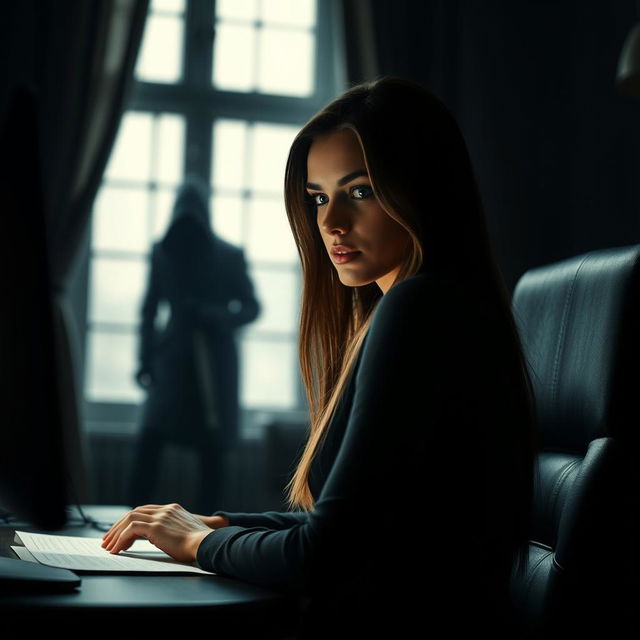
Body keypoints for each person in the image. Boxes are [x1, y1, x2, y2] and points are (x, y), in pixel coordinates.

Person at [104, 77, 537, 638]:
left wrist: (199, 542)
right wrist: (222, 524)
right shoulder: (438, 305)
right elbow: (358, 525)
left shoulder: (419, 308)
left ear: (423, 189)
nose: (331, 221)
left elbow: (326, 555)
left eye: (360, 191)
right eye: (317, 197)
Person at [127, 178, 260, 515]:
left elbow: (251, 307)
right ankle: (129, 519)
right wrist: (144, 358)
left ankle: (203, 534)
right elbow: (148, 309)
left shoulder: (230, 256)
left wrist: (214, 315)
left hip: (214, 366)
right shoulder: (163, 252)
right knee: (150, 440)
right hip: (171, 361)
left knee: (212, 452)